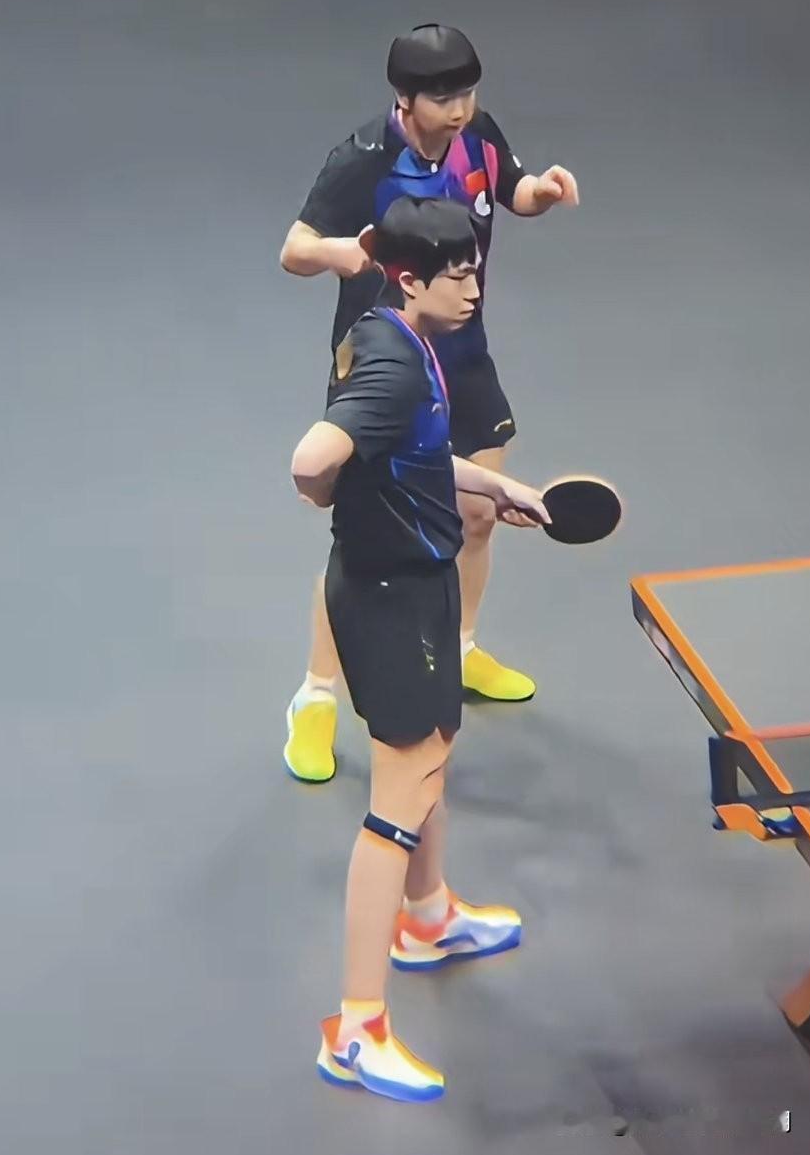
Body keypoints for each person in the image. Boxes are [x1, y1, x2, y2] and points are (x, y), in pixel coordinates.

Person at [291, 196, 550, 1102]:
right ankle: (356, 1030)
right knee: (397, 800)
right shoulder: (396, 364)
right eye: (459, 275)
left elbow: (410, 450)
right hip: (389, 596)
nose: (475, 288)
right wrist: (323, 492)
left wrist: (490, 485)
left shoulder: (405, 335)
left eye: (477, 270)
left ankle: (429, 916)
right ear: (410, 279)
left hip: (422, 578)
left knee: (434, 751)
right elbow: (312, 456)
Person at [281, 23, 578, 781]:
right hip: (384, 363)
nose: (459, 108)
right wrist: (345, 254)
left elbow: (511, 190)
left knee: (478, 513)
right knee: (363, 543)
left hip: (463, 351)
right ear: (404, 98)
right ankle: (315, 697)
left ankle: (463, 647)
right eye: (443, 97)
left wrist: (541, 194)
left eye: (466, 93)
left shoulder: (477, 134)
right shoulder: (362, 159)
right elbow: (294, 248)